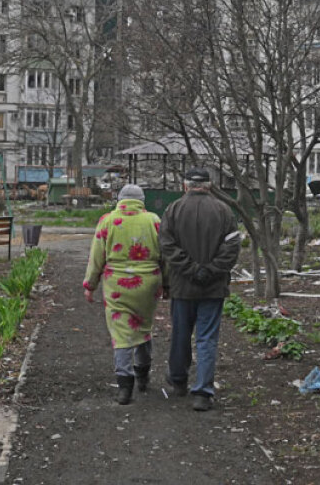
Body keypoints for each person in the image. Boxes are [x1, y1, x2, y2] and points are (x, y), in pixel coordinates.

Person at [160, 167, 241, 412]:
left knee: (180, 335)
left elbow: (167, 245)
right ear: (209, 186)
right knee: (207, 339)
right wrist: (211, 270)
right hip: (213, 287)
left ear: (185, 186)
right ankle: (203, 392)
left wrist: (190, 270)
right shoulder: (224, 211)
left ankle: (178, 380)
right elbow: (232, 246)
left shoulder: (173, 210)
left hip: (183, 286)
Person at [83, 184, 165, 405]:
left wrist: (90, 285)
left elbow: (96, 256)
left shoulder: (107, 221)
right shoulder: (154, 220)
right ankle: (143, 375)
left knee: (122, 333)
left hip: (117, 285)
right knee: (144, 327)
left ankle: (125, 387)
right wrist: (166, 282)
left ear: (119, 199)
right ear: (142, 200)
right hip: (148, 283)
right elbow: (166, 253)